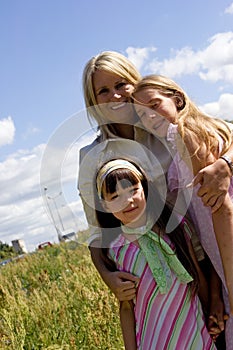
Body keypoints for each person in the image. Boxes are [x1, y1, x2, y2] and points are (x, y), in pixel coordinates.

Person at [79, 50, 233, 303]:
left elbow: (224, 135)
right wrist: (107, 276)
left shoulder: (165, 123)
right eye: (103, 91)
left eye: (120, 84)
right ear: (93, 101)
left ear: (135, 83)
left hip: (211, 249)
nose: (115, 95)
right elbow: (98, 232)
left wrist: (226, 164)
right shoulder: (92, 157)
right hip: (161, 273)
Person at [132, 74, 233, 348]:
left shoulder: (185, 133)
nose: (149, 116)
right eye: (141, 114)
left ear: (176, 99)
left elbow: (222, 209)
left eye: (154, 104)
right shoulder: (185, 140)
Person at [93, 157, 220, 349]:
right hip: (152, 341)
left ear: (144, 188)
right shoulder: (114, 250)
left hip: (195, 333)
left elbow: (196, 275)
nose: (127, 200)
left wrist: (211, 311)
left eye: (132, 190)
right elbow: (126, 307)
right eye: (115, 197)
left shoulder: (174, 227)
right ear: (105, 205)